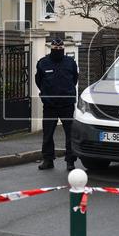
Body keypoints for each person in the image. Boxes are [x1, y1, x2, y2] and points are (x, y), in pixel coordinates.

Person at [35, 37, 80, 171]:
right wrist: (46, 95)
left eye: (60, 49)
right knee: (47, 134)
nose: (58, 51)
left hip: (67, 105)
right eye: (56, 49)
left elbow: (74, 80)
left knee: (69, 135)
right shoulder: (43, 63)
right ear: (51, 49)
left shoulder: (70, 63)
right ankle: (48, 160)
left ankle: (70, 161)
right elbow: (39, 81)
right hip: (50, 106)